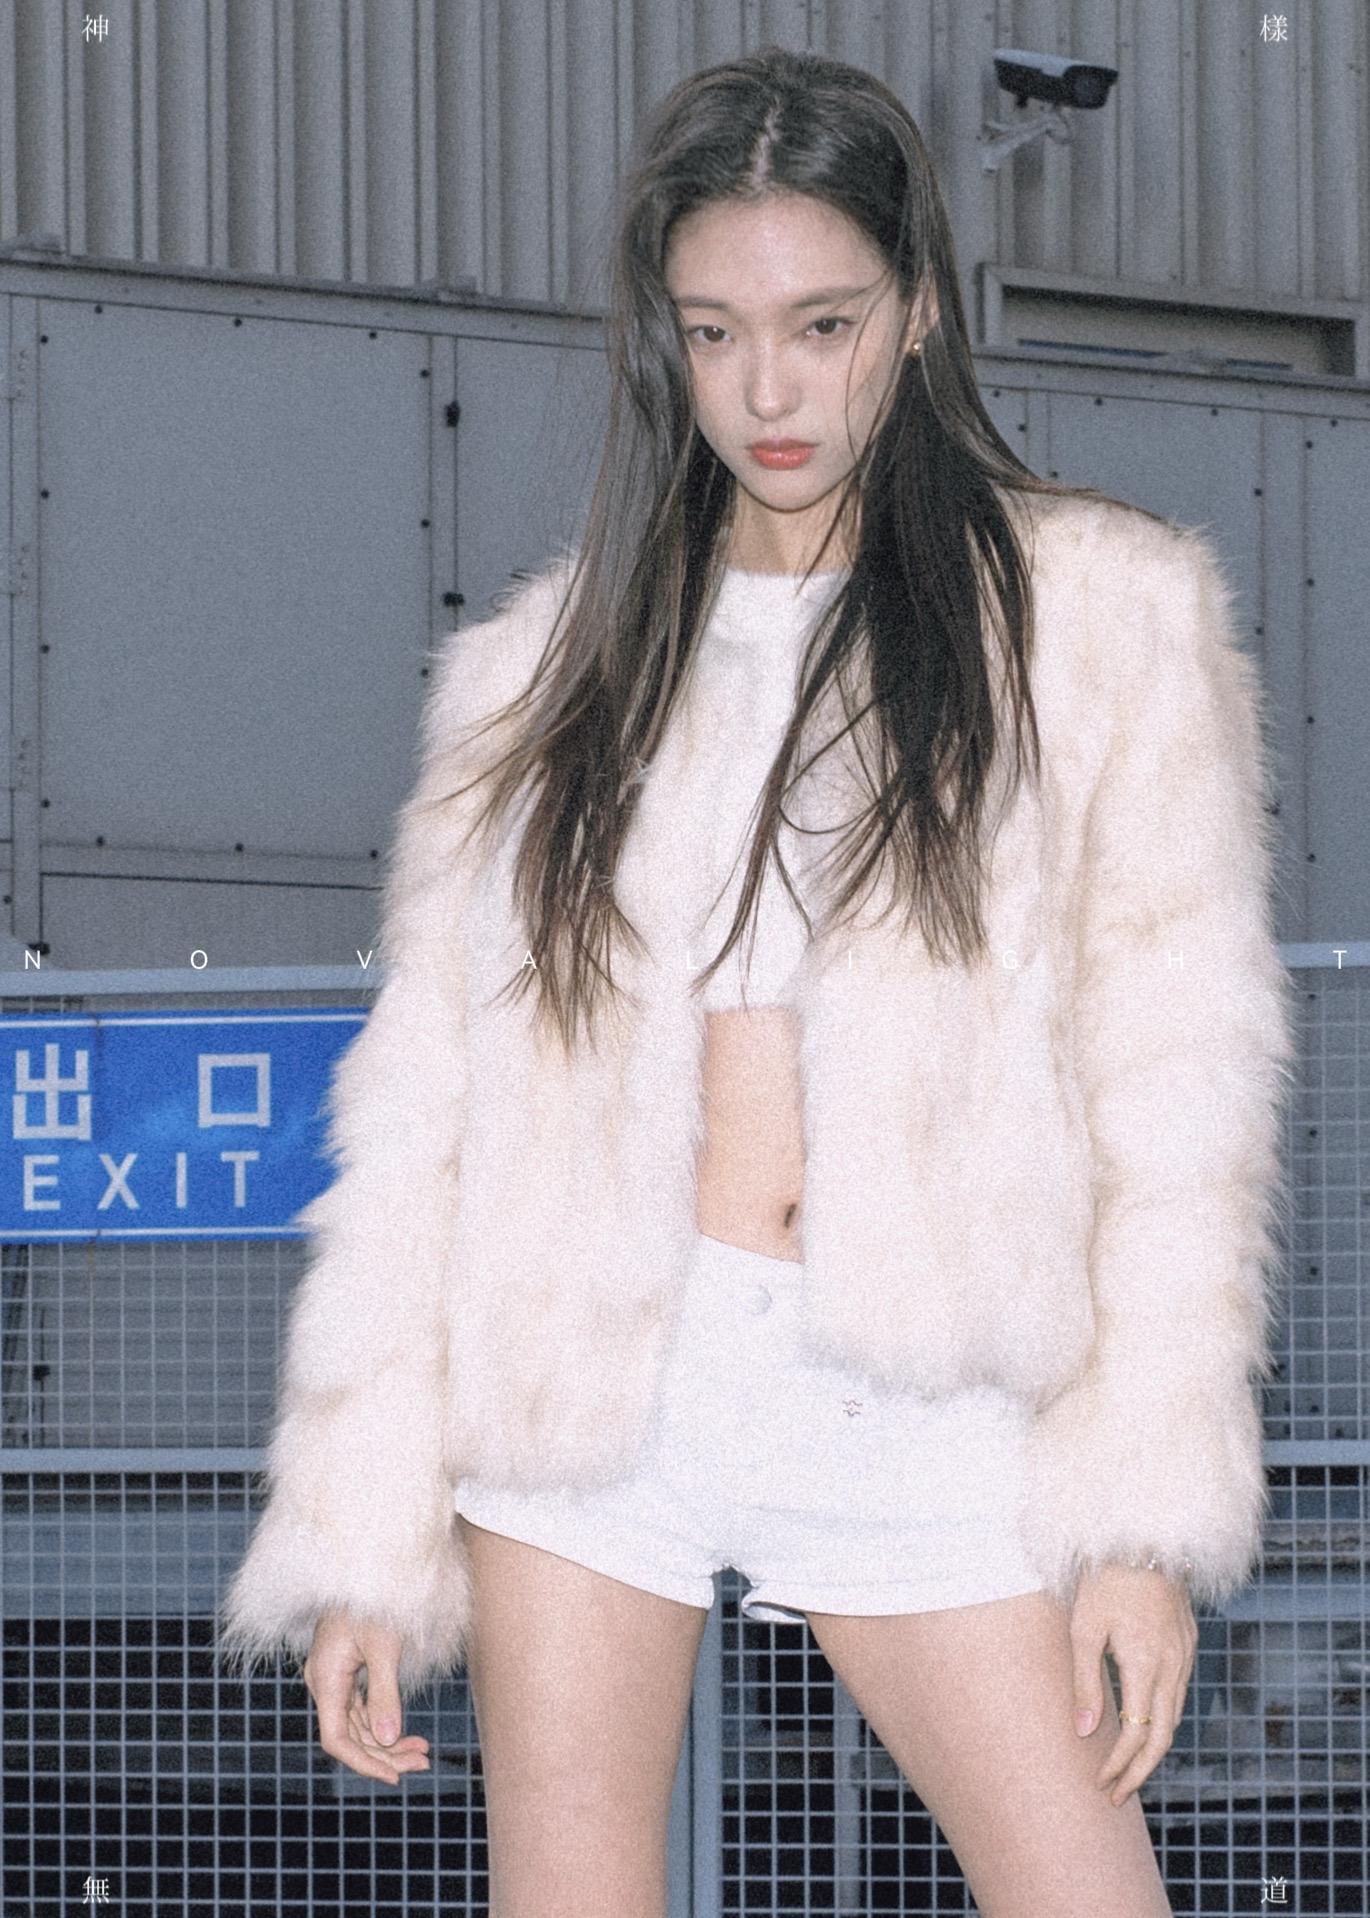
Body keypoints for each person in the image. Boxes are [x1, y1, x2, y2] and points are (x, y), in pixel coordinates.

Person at [215, 43, 1296, 1918]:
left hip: (922, 1396)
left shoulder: (1098, 618)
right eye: (714, 333)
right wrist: (362, 1528)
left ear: (919, 308)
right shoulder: (543, 672)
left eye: (821, 325)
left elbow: (1176, 1088)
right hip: (588, 1388)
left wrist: (1137, 1515)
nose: (767, 390)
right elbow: (426, 1113)